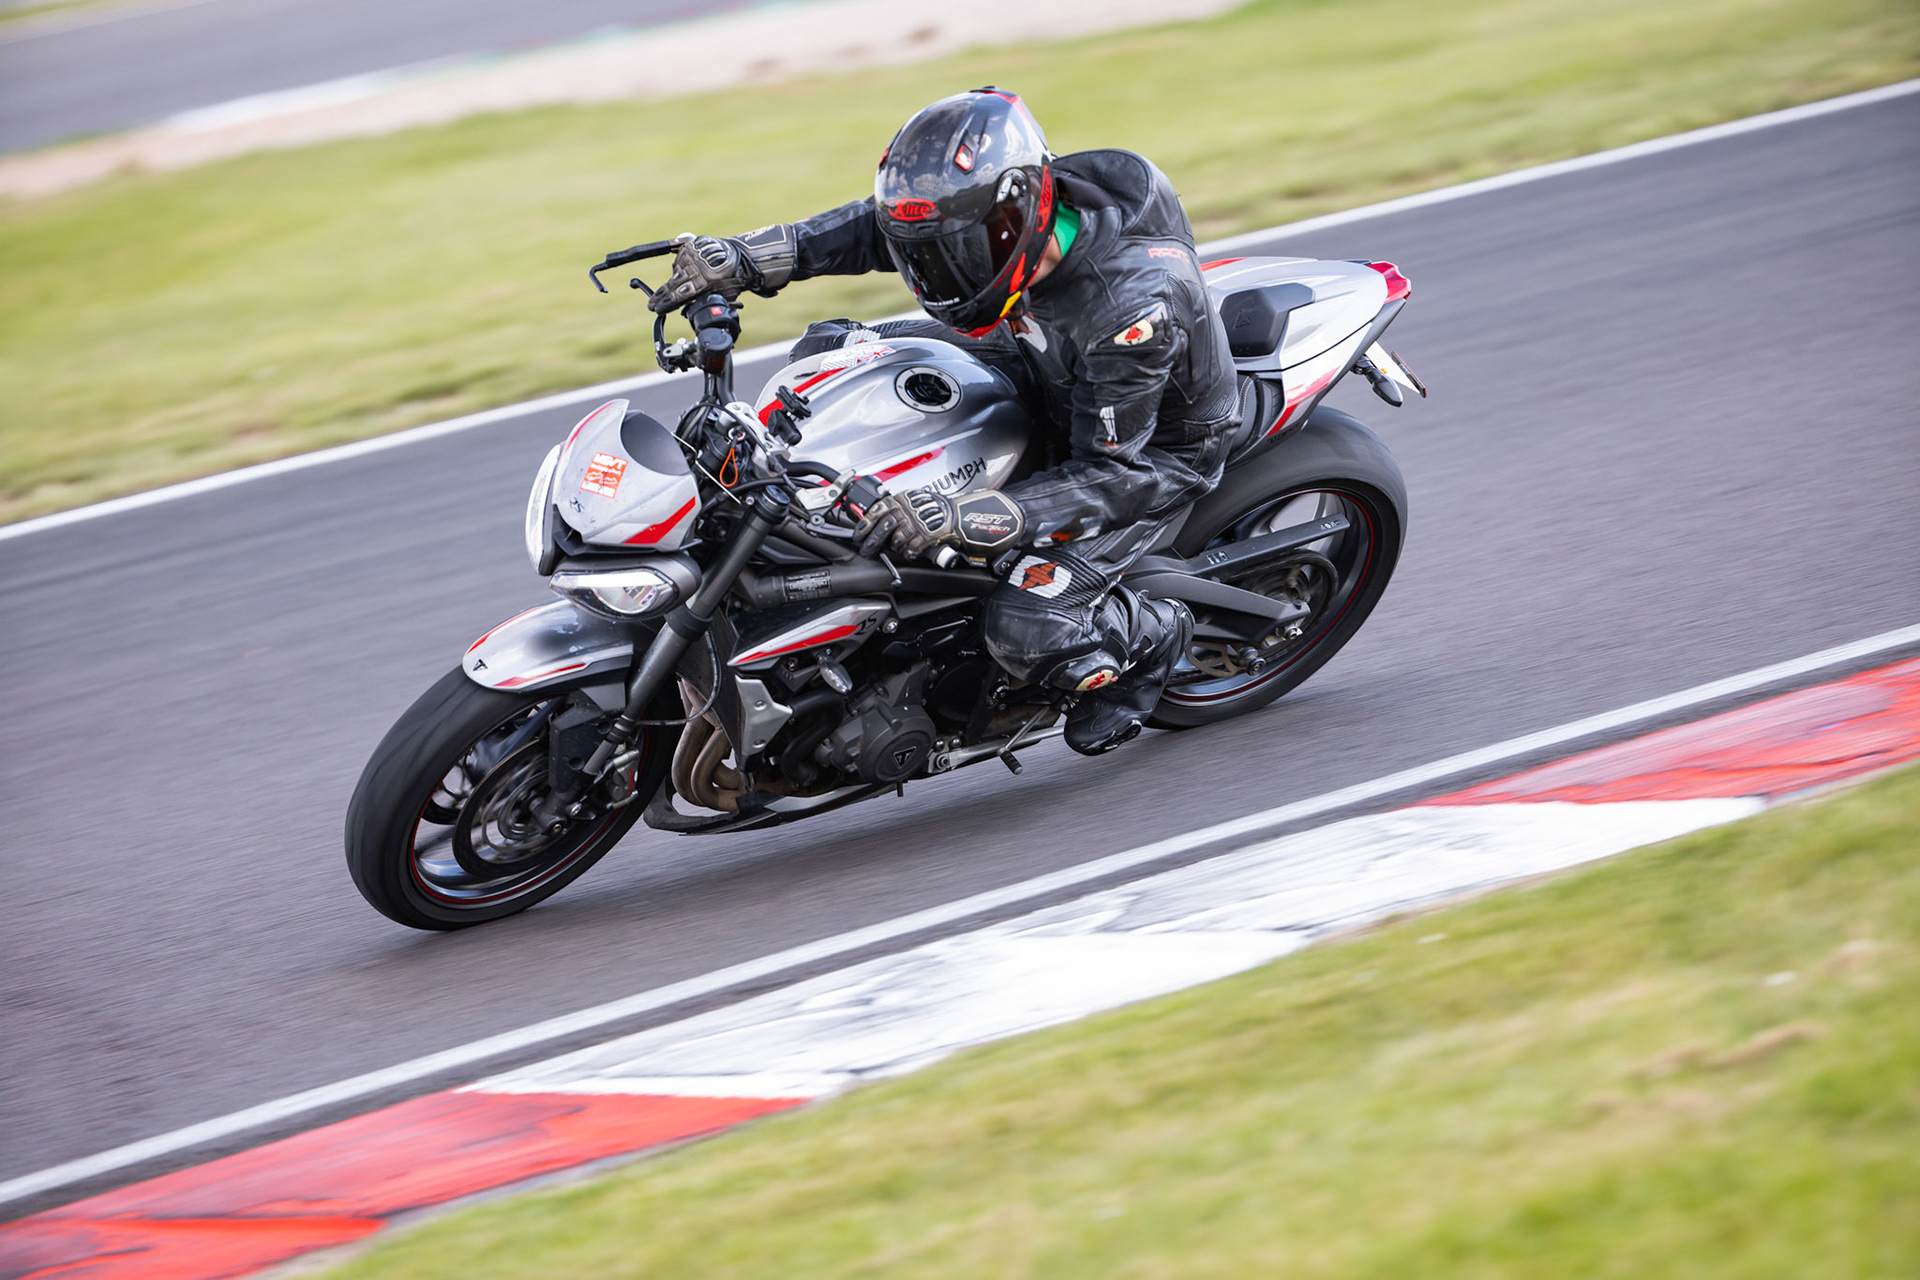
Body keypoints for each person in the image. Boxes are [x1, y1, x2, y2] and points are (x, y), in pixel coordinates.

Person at [649, 87, 1238, 754]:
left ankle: (1153, 638)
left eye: (955, 256)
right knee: (831, 347)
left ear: (1018, 219)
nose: (936, 274)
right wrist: (753, 257)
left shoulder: (1127, 310)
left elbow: (1112, 475)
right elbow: (891, 228)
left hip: (1153, 455)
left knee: (1025, 625)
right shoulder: (1019, 211)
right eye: (929, 257)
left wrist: (964, 515)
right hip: (1037, 354)